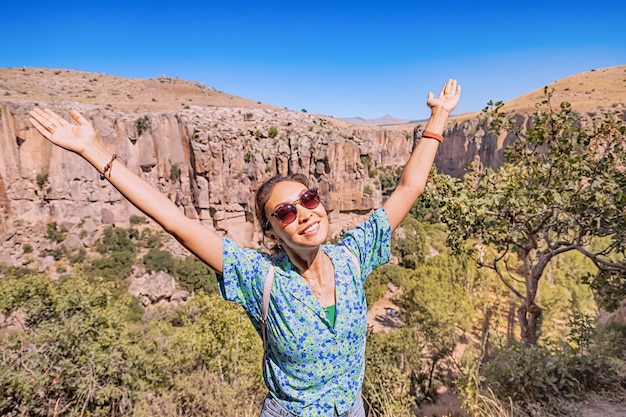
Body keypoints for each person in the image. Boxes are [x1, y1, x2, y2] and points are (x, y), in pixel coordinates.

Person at [29, 79, 461, 417]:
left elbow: (408, 186)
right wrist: (93, 151)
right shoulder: (260, 277)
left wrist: (438, 118)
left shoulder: (353, 257)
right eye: (286, 213)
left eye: (309, 200)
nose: (304, 214)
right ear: (271, 232)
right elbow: (177, 223)